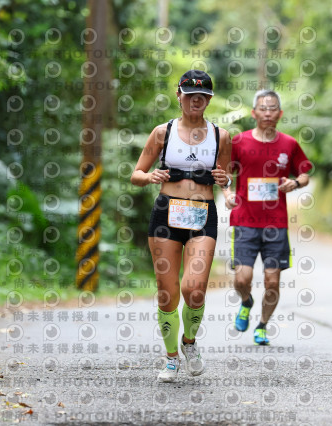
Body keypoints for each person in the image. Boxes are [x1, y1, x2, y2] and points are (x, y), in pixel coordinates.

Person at [131, 70, 232, 382]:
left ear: (209, 100)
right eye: (189, 95)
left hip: (202, 214)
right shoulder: (163, 132)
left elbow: (225, 176)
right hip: (166, 214)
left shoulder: (221, 136)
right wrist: (151, 176)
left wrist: (227, 185)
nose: (195, 101)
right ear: (179, 96)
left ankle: (189, 342)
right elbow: (136, 174)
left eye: (202, 96)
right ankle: (171, 357)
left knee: (195, 289)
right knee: (167, 292)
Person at [223, 89, 313, 345]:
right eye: (263, 108)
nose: (267, 113)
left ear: (280, 113)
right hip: (244, 221)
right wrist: (228, 194)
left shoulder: (289, 144)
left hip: (276, 224)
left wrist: (295, 183)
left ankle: (262, 326)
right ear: (254, 113)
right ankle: (246, 301)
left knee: (272, 283)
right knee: (242, 278)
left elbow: (305, 173)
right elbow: (224, 173)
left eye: (272, 108)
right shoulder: (239, 142)